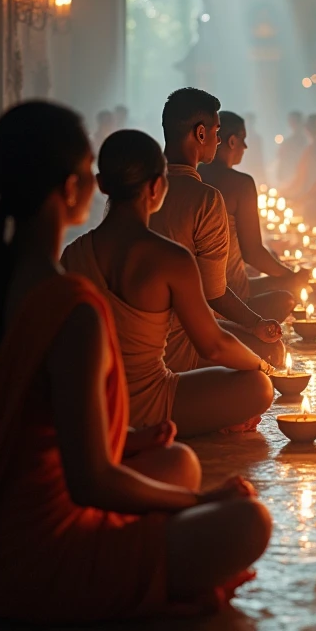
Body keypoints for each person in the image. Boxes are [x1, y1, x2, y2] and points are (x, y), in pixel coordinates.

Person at [0, 101, 271, 624]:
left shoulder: (31, 275)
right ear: (76, 188)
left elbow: (44, 423)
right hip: (33, 552)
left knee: (177, 461)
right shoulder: (69, 305)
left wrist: (129, 439)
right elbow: (91, 481)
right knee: (247, 521)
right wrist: (203, 503)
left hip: (3, 510)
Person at [63, 129, 275, 437]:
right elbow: (213, 346)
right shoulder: (170, 258)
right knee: (258, 387)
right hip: (151, 403)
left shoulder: (72, 255)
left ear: (102, 185)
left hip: (95, 406)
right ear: (158, 186)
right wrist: (262, 366)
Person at [149, 88, 284, 370]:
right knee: (269, 356)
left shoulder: (140, 189)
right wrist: (255, 323)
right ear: (201, 134)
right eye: (216, 131)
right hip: (180, 336)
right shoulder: (204, 197)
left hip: (135, 337)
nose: (218, 140)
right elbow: (214, 293)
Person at [200, 111, 304, 320]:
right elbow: (253, 253)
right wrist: (290, 276)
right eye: (243, 140)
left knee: (279, 275)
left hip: (196, 295)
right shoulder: (241, 184)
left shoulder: (194, 175)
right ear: (231, 141)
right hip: (228, 298)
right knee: (289, 294)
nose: (245, 147)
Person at [283, 113, 316, 201]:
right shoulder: (312, 148)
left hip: (311, 195)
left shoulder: (314, 149)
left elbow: (306, 176)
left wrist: (300, 195)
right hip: (308, 193)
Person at [276, 110, 306, 188]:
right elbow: (282, 157)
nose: (291, 124)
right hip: (289, 175)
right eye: (291, 121)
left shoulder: (305, 141)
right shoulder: (288, 142)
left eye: (293, 121)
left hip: (300, 175)